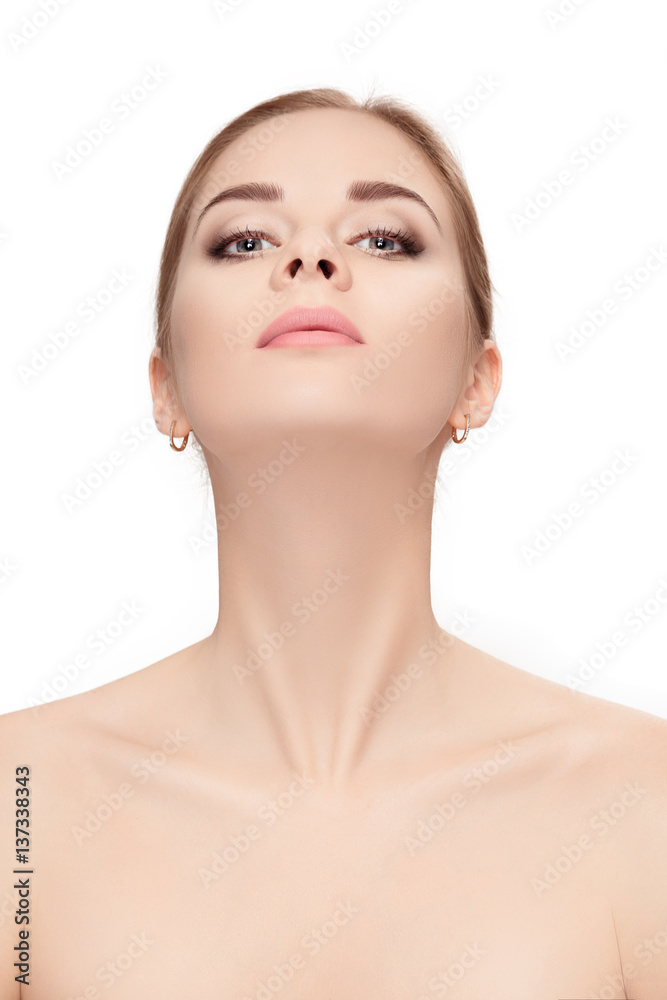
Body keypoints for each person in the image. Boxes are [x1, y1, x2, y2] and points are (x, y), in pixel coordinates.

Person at [1, 86, 666, 999]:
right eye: (245, 240)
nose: (311, 258)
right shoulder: (18, 810)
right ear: (168, 390)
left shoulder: (643, 805)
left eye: (384, 238)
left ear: (477, 381)